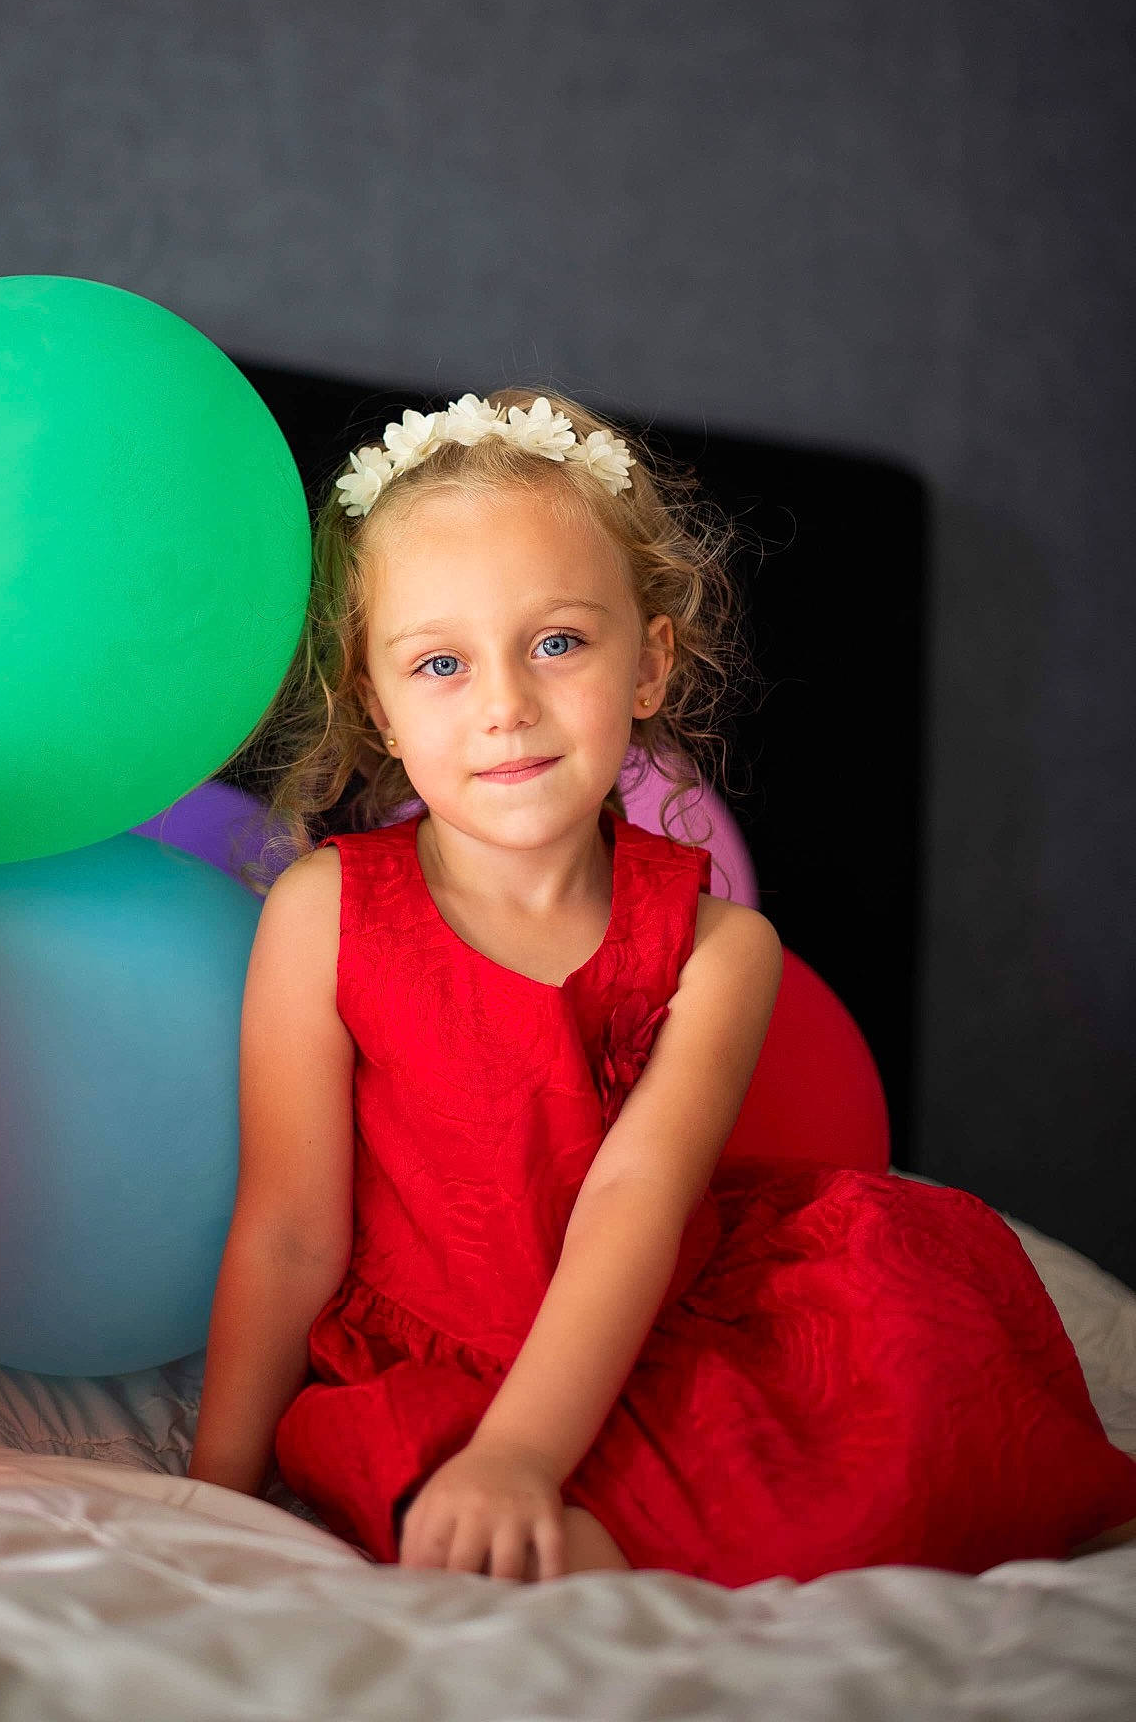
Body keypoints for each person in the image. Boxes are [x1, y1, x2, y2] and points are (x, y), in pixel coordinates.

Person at [187, 386, 1136, 1584]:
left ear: (649, 662)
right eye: (439, 661)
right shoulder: (320, 914)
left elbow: (632, 1202)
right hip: (435, 1355)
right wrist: (212, 1495)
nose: (505, 705)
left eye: (557, 641)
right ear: (375, 702)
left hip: (650, 1324)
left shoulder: (717, 949)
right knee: (439, 1505)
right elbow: (287, 1230)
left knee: (906, 1374)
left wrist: (526, 1450)